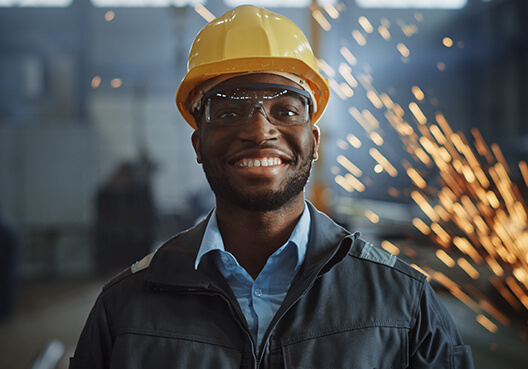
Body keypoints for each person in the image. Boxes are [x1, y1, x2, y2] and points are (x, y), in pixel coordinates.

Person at [70, 5, 475, 368]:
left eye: (285, 110)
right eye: (228, 110)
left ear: (313, 142)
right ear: (199, 143)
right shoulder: (124, 308)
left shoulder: (404, 302)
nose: (259, 130)